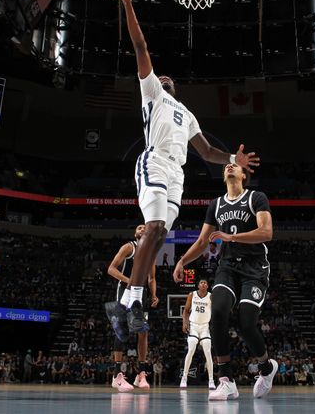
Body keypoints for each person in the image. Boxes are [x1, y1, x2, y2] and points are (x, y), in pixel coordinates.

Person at [106, 0, 260, 339]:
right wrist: (128, 3)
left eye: (169, 77)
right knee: (155, 228)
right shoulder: (153, 94)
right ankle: (134, 299)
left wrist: (231, 157)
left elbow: (206, 152)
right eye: (161, 76)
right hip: (154, 162)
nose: (165, 76)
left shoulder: (187, 113)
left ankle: (128, 303)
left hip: (177, 174)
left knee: (158, 237)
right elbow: (140, 45)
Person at [173, 163, 277, 401]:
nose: (230, 166)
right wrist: (182, 261)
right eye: (227, 166)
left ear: (243, 175)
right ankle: (226, 380)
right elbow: (202, 242)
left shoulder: (256, 198)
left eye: (236, 166)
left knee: (246, 323)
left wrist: (232, 237)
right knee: (218, 312)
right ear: (223, 177)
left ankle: (266, 368)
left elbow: (267, 232)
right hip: (228, 267)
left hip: (254, 268)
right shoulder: (216, 204)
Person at [105, 225, 158, 392]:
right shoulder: (129, 247)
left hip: (141, 294)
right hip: (125, 290)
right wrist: (128, 280)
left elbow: (152, 278)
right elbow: (111, 269)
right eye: (139, 227)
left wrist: (154, 294)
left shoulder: (150, 254)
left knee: (143, 332)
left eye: (145, 228)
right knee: (122, 329)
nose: (143, 229)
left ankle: (141, 374)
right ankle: (116, 375)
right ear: (135, 233)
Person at [180, 279, 215, 390]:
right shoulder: (192, 294)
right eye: (201, 282)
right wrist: (185, 323)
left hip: (205, 327)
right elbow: (186, 310)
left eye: (205, 282)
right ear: (198, 285)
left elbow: (215, 311)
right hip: (194, 326)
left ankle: (211, 380)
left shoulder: (211, 296)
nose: (203, 284)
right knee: (191, 349)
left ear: (207, 286)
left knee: (208, 351)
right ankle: (184, 378)